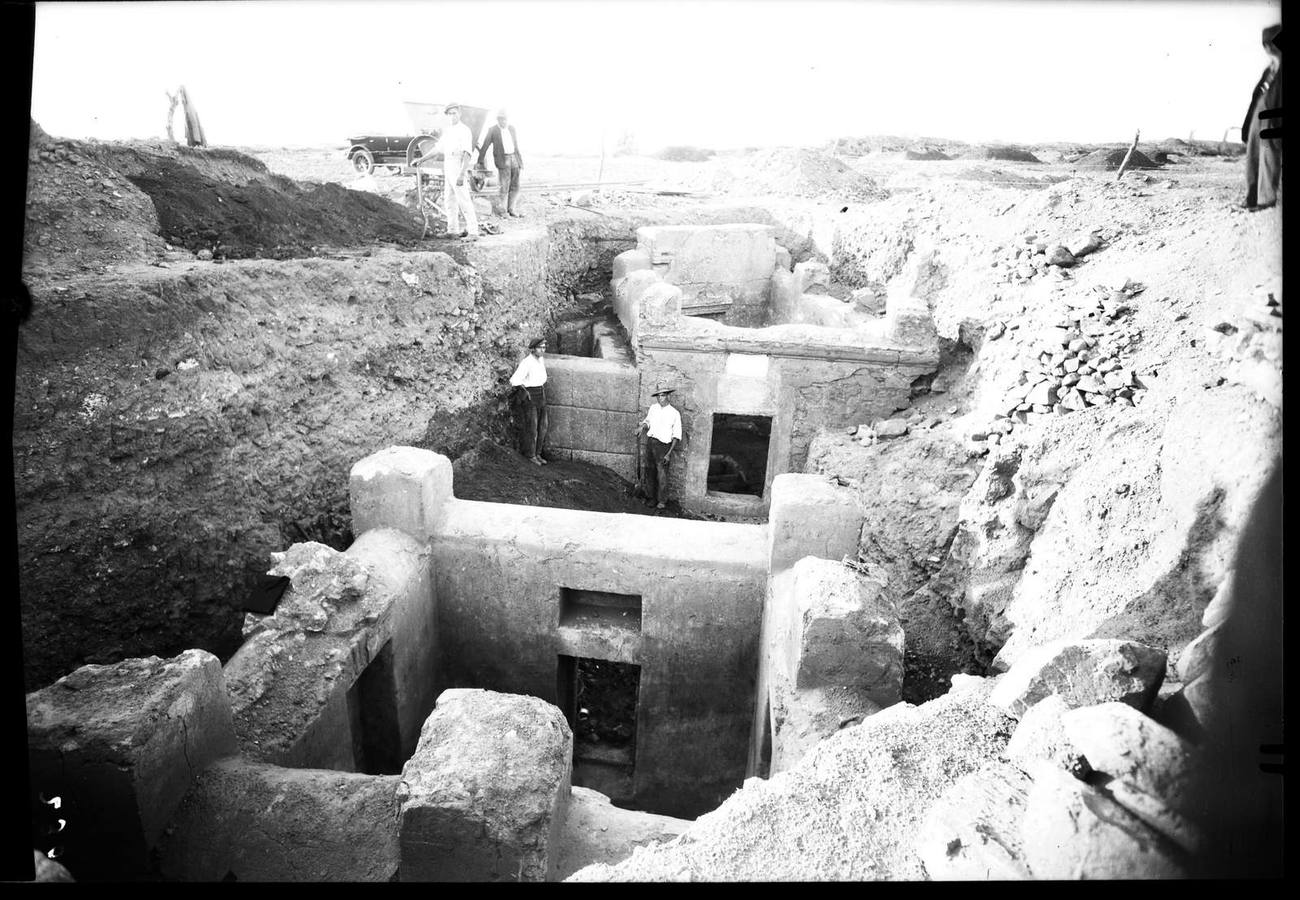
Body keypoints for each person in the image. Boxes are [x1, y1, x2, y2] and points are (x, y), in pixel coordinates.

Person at [1242, 25, 1283, 210]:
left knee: (1268, 156)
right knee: (1252, 156)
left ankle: (1265, 200)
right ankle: (1251, 199)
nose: (1268, 49)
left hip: (1272, 119)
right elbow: (1256, 98)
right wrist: (1246, 126)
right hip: (1257, 118)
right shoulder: (1269, 70)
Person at [435, 102, 480, 240]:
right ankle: (452, 230)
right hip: (448, 163)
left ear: (459, 114)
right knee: (449, 199)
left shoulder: (464, 130)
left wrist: (461, 174)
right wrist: (421, 160)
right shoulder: (448, 130)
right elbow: (438, 148)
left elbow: (467, 153)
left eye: (454, 113)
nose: (452, 116)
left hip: (458, 164)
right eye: (449, 114)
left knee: (463, 198)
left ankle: (473, 232)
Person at [636, 384, 682, 510]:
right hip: (651, 443)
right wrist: (642, 427)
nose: (659, 398)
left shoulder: (674, 413)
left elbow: (676, 435)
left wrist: (669, 453)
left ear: (668, 396)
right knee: (649, 471)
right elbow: (648, 421)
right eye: (658, 396)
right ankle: (651, 498)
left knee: (662, 475)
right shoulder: (653, 408)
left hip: (663, 447)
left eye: (662, 395)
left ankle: (662, 500)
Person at [477, 109, 523, 218]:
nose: (503, 121)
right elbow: (485, 145)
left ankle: (512, 209)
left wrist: (519, 160)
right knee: (504, 186)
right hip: (503, 160)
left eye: (505, 119)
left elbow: (516, 145)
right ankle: (503, 211)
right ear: (498, 120)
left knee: (515, 186)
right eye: (501, 119)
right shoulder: (492, 130)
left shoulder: (512, 128)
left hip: (514, 158)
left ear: (507, 119)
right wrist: (480, 160)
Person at [510, 338, 548, 465]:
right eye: (539, 348)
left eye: (544, 347)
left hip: (541, 394)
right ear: (533, 349)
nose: (542, 350)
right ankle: (530, 455)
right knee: (532, 427)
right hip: (531, 396)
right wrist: (525, 392)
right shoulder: (526, 363)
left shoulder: (541, 360)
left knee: (543, 426)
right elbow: (514, 380)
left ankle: (538, 453)